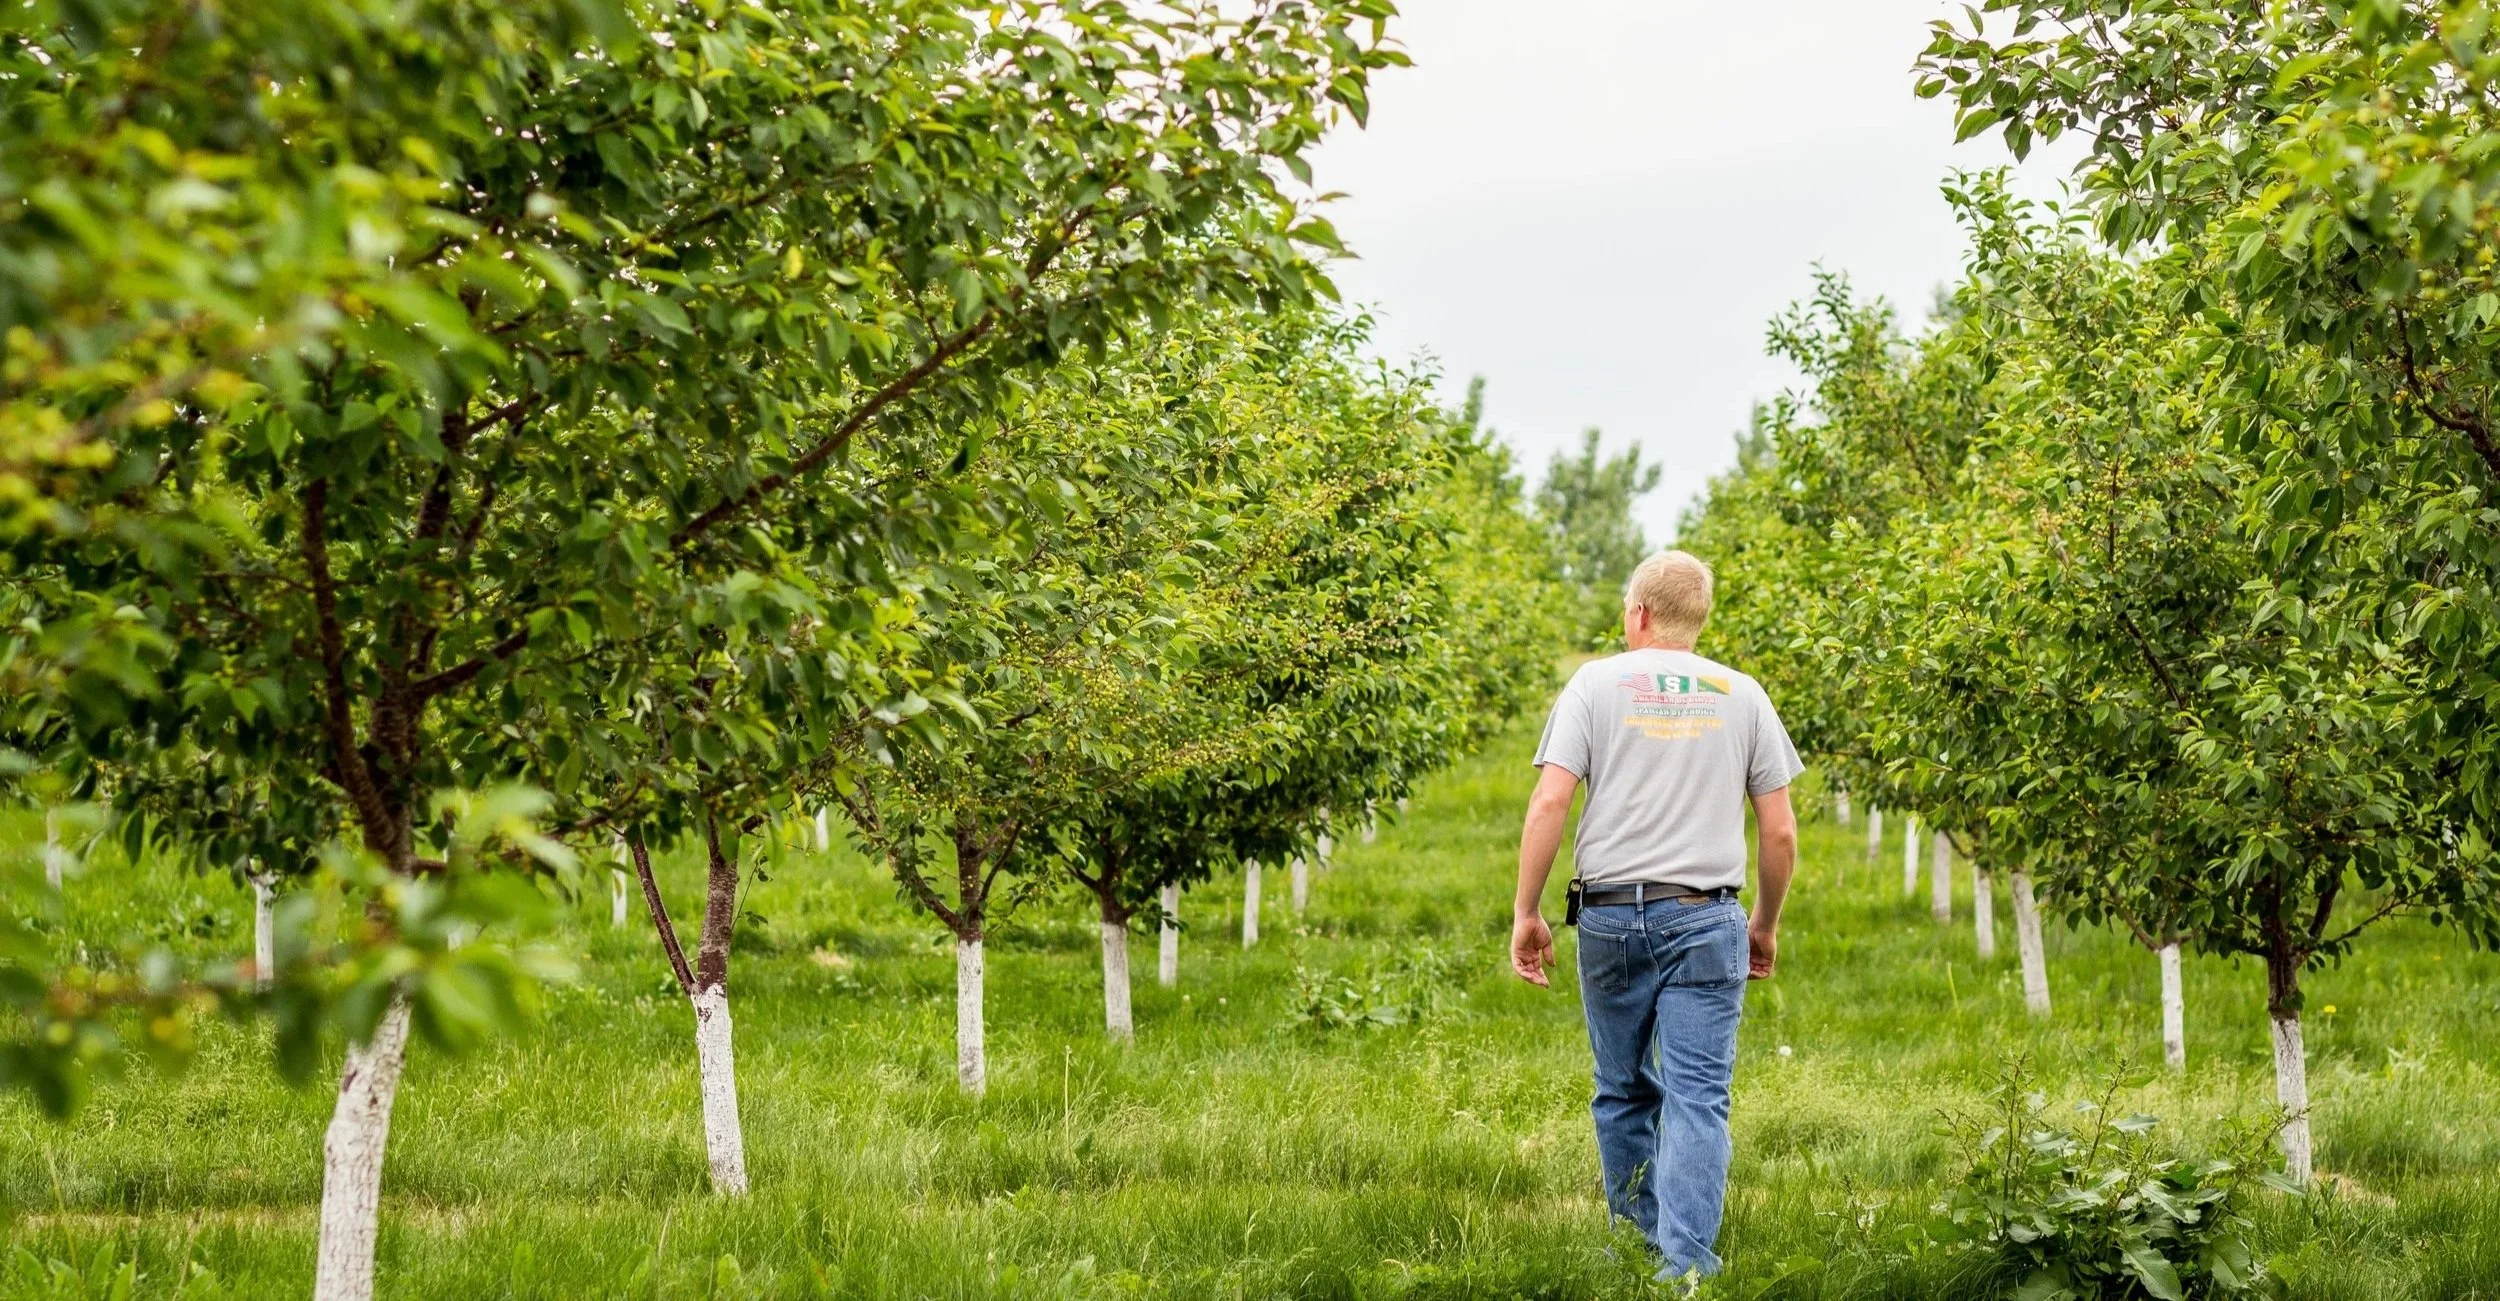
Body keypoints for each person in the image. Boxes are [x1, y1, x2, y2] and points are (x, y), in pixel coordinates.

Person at [1510, 549, 1799, 1283]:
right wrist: (1764, 922)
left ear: (1637, 613)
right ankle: (1687, 1267)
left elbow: (1550, 800)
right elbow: (1780, 831)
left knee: (1622, 1086)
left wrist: (1527, 910)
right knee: (1699, 1097)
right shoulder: (1742, 693)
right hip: (1708, 917)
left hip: (1607, 917)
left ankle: (1636, 1247)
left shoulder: (1593, 683)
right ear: (1698, 619)